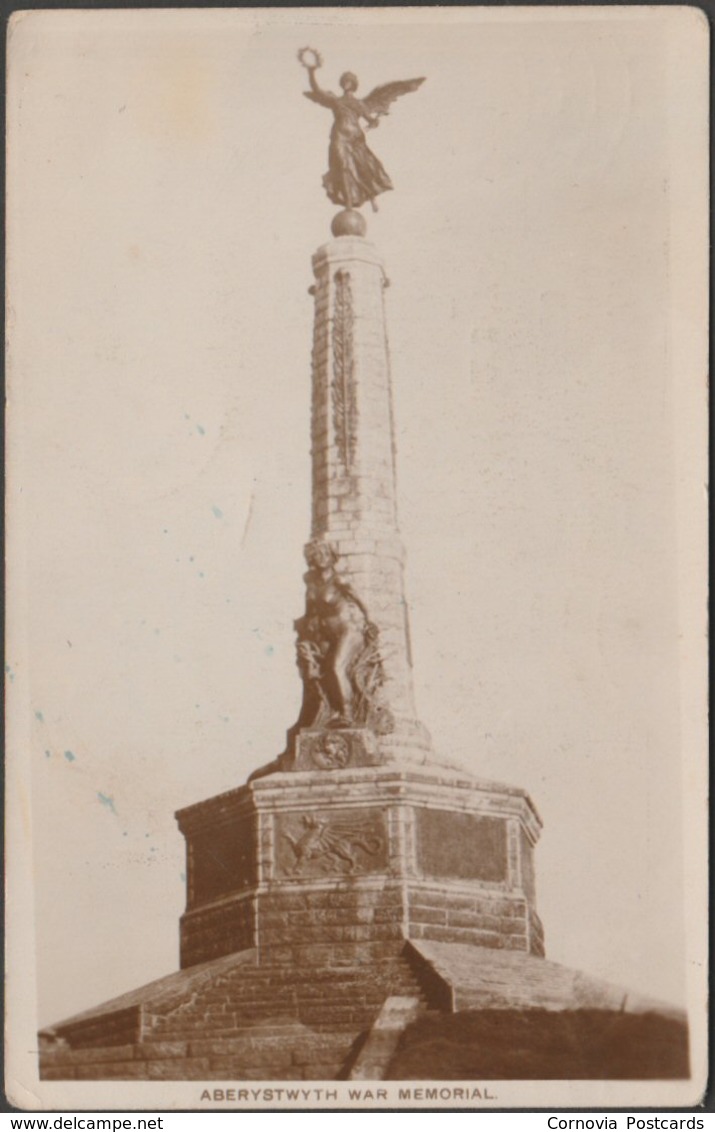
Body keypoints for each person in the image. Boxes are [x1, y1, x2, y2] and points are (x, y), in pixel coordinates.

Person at [301, 53, 425, 212]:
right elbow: (316, 89)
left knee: (361, 167)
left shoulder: (359, 104)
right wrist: (311, 71)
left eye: (348, 80)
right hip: (339, 136)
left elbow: (372, 120)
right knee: (342, 165)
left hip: (355, 138)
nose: (346, 83)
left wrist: (374, 122)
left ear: (353, 84)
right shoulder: (335, 101)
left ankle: (369, 195)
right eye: (344, 81)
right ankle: (349, 202)